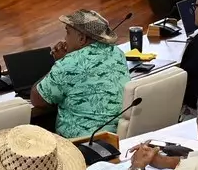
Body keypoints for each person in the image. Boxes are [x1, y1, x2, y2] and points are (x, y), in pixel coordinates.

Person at [32, 9, 129, 138]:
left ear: (82, 38)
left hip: (82, 145)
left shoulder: (68, 64)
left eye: (67, 33)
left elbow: (37, 100)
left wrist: (60, 62)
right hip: (117, 137)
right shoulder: (117, 53)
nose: (65, 39)